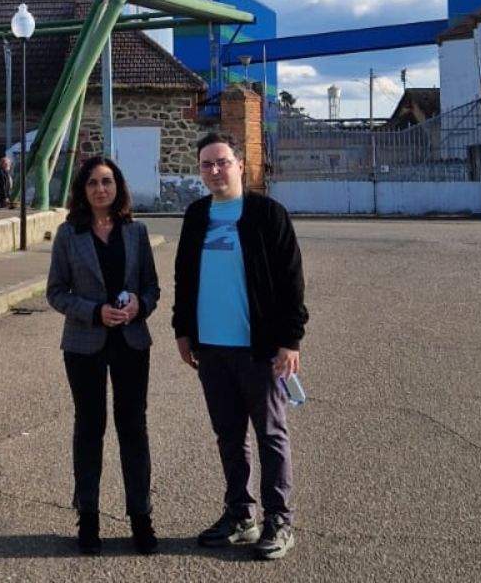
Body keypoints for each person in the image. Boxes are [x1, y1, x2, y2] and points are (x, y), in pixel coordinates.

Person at [172, 131, 307, 561]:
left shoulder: (267, 214)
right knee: (228, 436)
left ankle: (279, 520)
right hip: (211, 349)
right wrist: (182, 330)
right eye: (207, 164)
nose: (215, 170)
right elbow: (183, 278)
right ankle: (240, 515)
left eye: (222, 162)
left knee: (270, 436)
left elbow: (292, 281)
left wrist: (290, 340)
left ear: (240, 164)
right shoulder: (196, 216)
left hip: (259, 349)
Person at [45, 155, 161, 555]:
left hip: (131, 343)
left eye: (107, 182)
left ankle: (141, 518)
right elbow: (56, 293)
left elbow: (152, 289)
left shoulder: (137, 231)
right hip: (84, 346)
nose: (100, 189)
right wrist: (94, 311)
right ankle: (89, 518)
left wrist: (137, 308)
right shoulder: (68, 234)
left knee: (133, 428)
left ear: (118, 187)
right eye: (93, 182)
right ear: (83, 190)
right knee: (89, 429)